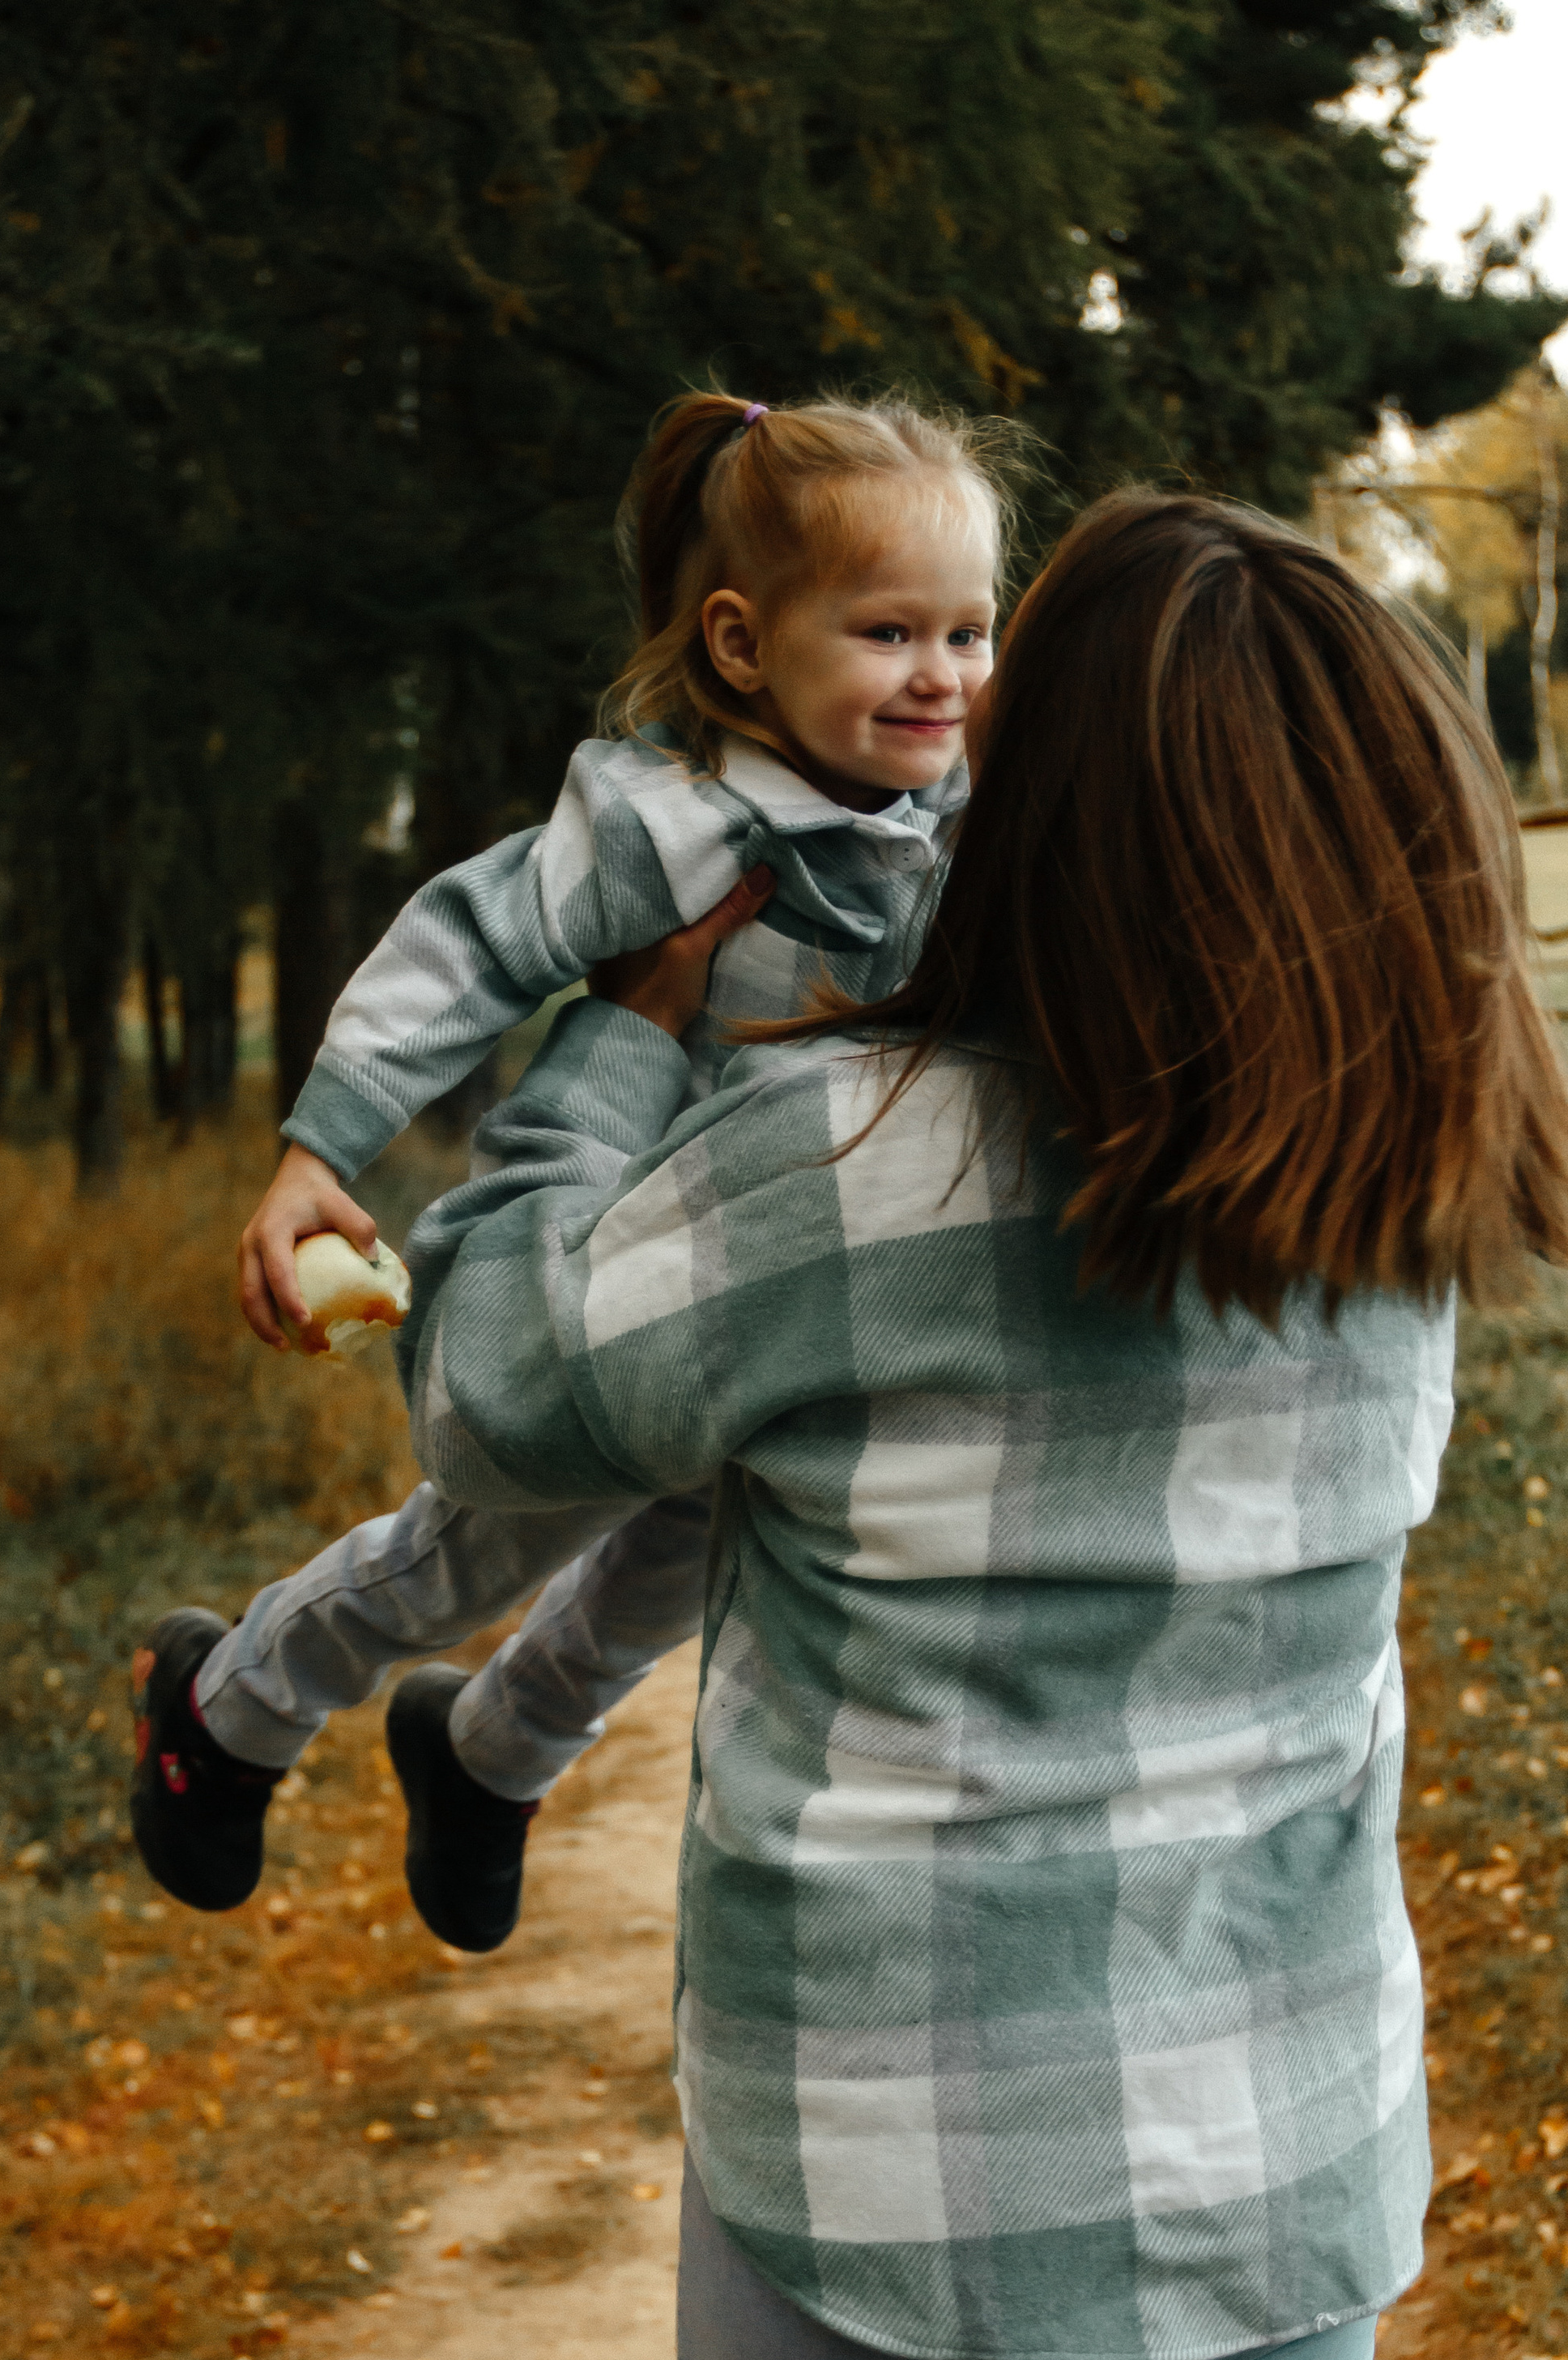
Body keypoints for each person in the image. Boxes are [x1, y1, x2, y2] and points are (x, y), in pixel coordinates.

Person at [392, 490, 1568, 2360]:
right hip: (1274, 2143)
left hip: (870, 2159)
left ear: (1037, 794)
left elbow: (493, 1400)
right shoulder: (1401, 1199)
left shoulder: (841, 1179)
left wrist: (626, 1024)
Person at [130, 386, 1016, 1950]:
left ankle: (493, 1753)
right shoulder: (672, 820)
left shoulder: (962, 824)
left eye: (969, 632)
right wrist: (315, 1152)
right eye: (888, 633)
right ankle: (227, 1699)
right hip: (619, 1270)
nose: (940, 675)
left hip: (779, 1281)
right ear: (744, 646)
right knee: (492, 1535)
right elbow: (463, 947)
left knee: (700, 1544)